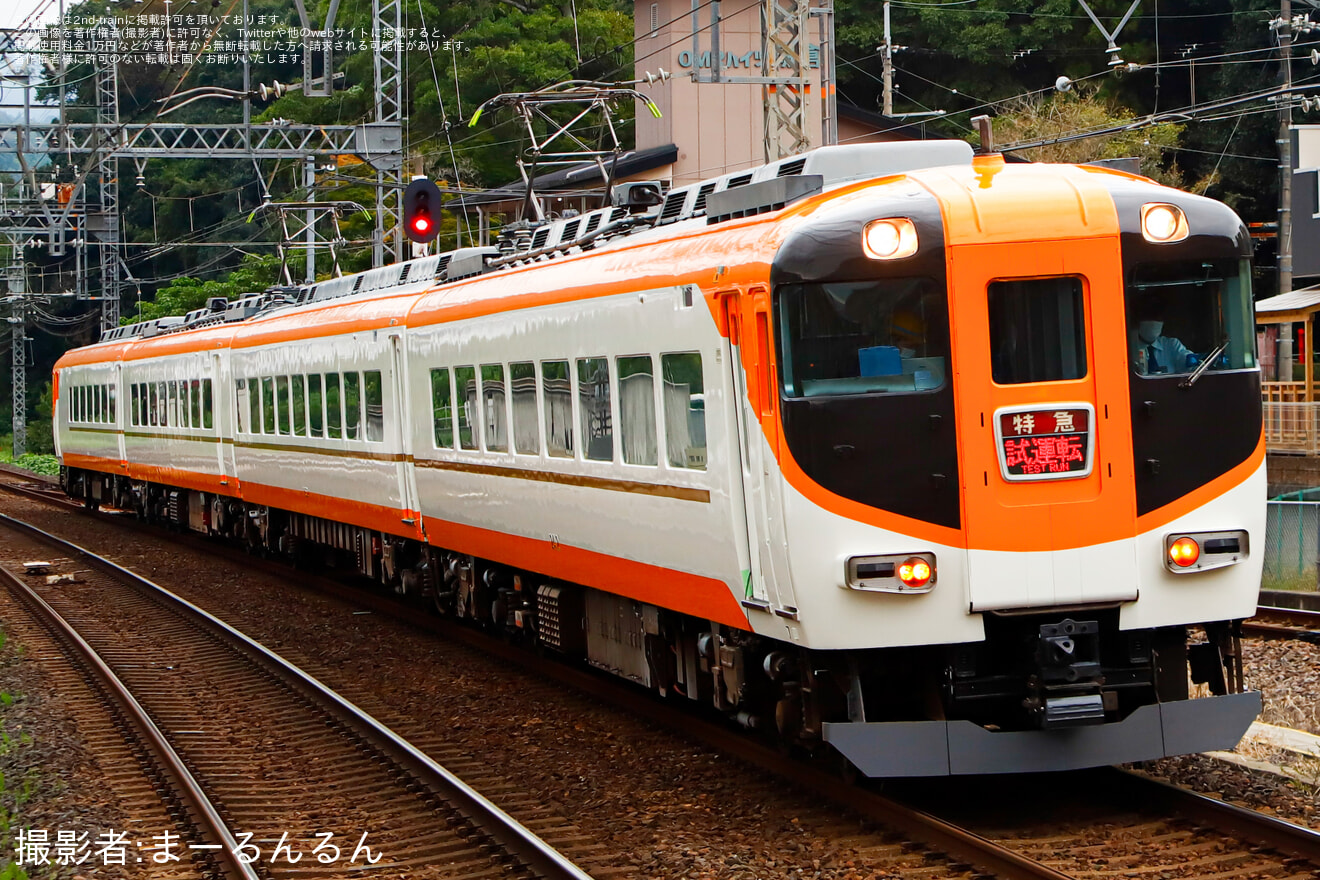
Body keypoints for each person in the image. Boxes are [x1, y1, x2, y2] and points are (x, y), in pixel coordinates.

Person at [1132, 298, 1192, 375]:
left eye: (1157, 318)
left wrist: (1191, 359)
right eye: (1149, 317)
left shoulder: (1171, 345)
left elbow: (1185, 357)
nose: (1153, 322)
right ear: (1138, 320)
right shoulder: (1127, 347)